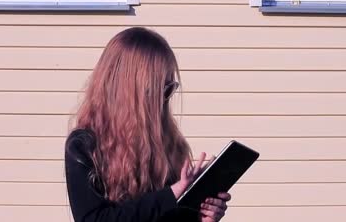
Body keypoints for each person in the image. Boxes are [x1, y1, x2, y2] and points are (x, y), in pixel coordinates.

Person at [65, 27, 232, 222]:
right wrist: (172, 194)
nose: (164, 100)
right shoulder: (84, 145)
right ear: (130, 91)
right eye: (161, 89)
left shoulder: (168, 143)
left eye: (170, 89)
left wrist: (202, 217)